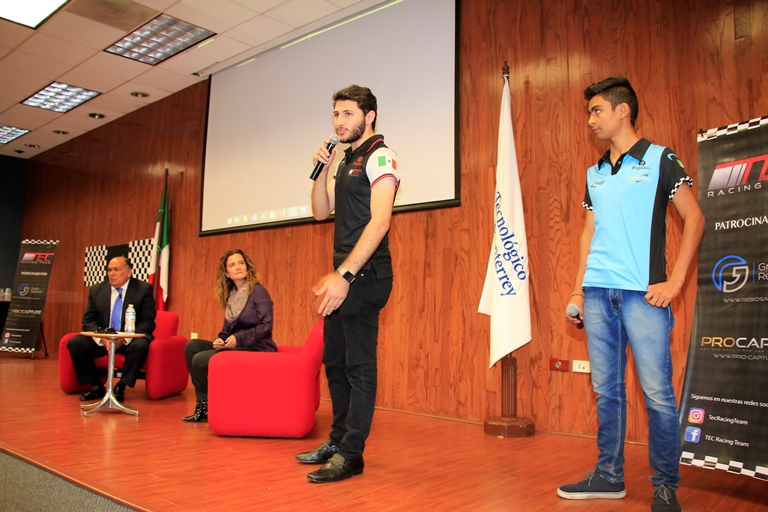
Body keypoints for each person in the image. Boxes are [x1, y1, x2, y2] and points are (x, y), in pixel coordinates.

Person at [557, 77, 704, 512]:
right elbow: (588, 233)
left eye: (597, 111)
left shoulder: (661, 159)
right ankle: (608, 475)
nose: (591, 121)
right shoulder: (594, 173)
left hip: (644, 296)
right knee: (607, 390)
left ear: (623, 110)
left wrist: (675, 283)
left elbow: (694, 219)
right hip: (599, 294)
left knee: (657, 391)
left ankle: (664, 485)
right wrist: (580, 290)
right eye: (589, 113)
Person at [295, 85, 400, 483]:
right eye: (336, 115)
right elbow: (321, 213)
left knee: (359, 367)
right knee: (334, 362)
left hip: (365, 276)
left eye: (348, 114)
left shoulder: (380, 156)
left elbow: (380, 221)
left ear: (369, 115)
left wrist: (344, 275)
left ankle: (352, 454)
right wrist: (321, 173)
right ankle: (337, 441)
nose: (340, 122)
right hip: (344, 276)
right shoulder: (345, 160)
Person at [182, 249, 277, 422]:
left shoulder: (258, 291)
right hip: (239, 345)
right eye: (232, 265)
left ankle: (207, 404)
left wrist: (238, 339)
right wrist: (221, 338)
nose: (238, 267)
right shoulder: (232, 296)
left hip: (257, 347)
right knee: (192, 346)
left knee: (200, 360)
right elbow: (228, 328)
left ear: (248, 268)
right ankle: (203, 404)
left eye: (241, 263)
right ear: (226, 273)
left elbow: (266, 325)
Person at [67, 256, 156, 404]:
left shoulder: (143, 289)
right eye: (109, 270)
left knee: (141, 346)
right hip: (104, 340)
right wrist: (102, 338)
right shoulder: (97, 290)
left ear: (129, 272)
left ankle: (121, 386)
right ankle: (96, 385)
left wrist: (125, 338)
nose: (112, 274)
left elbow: (148, 322)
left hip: (129, 340)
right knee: (75, 343)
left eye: (116, 270)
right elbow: (87, 320)